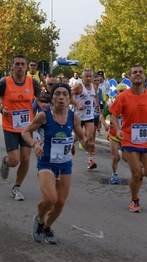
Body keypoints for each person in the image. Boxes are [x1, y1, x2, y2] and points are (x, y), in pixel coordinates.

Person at [22, 83, 95, 244]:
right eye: (57, 94)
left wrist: (87, 144)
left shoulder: (73, 117)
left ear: (69, 98)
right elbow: (25, 131)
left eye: (64, 94)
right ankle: (39, 218)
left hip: (64, 164)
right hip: (46, 162)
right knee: (50, 198)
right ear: (53, 97)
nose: (61, 97)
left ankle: (46, 227)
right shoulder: (44, 116)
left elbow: (81, 136)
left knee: (60, 202)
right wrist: (34, 144)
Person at [0, 54, 48, 201]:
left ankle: (16, 187)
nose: (21, 67)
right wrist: (1, 109)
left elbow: (39, 97)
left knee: (26, 159)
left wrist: (47, 103)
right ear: (12, 66)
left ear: (27, 66)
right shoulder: (5, 82)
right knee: (14, 160)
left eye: (23, 64)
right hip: (10, 126)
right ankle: (6, 162)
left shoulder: (32, 82)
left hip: (26, 128)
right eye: (18, 64)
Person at [109, 65, 147, 213]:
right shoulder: (123, 97)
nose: (138, 74)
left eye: (140, 72)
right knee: (137, 173)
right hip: (129, 140)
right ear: (130, 77)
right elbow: (113, 114)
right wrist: (118, 130)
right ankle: (134, 199)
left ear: (144, 77)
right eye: (134, 73)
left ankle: (133, 168)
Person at [70, 68, 100, 169]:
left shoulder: (94, 86)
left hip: (89, 115)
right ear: (83, 77)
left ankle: (90, 161)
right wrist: (77, 104)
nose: (88, 78)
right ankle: (70, 144)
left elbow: (95, 96)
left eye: (90, 76)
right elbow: (68, 96)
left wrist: (97, 106)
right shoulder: (79, 86)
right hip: (78, 116)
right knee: (79, 136)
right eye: (86, 76)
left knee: (89, 136)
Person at [100, 83, 128, 184]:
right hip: (113, 132)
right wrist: (104, 124)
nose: (122, 93)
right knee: (114, 156)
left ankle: (121, 153)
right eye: (120, 91)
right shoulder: (111, 104)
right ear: (116, 92)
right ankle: (114, 174)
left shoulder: (130, 104)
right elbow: (102, 116)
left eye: (124, 91)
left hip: (126, 134)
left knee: (126, 158)